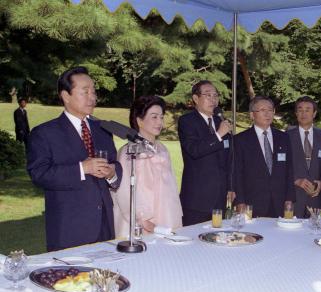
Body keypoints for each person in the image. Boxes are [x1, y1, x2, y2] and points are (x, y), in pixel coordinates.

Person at [27, 66, 122, 251]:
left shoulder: (103, 129)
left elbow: (115, 164)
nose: (92, 97)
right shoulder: (44, 133)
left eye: (94, 91)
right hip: (69, 229)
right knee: (72, 279)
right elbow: (39, 174)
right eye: (85, 91)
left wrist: (112, 173)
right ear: (66, 96)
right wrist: (81, 168)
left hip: (104, 226)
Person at [112, 95, 182, 238]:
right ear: (139, 121)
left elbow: (172, 187)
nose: (160, 122)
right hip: (138, 220)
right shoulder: (129, 151)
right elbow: (124, 189)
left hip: (165, 214)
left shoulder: (162, 149)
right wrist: (141, 218)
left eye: (161, 117)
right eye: (154, 117)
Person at [178, 80, 233, 226]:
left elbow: (229, 159)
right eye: (208, 95)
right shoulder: (187, 121)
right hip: (196, 199)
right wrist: (219, 134)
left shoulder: (221, 122)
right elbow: (194, 150)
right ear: (196, 99)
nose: (213, 99)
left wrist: (231, 187)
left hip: (220, 198)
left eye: (216, 95)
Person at [233, 96, 295, 217]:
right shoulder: (240, 140)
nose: (267, 114)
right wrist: (240, 201)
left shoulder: (283, 137)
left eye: (270, 110)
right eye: (262, 110)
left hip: (280, 201)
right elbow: (237, 173)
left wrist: (290, 198)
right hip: (252, 202)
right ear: (252, 115)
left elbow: (289, 170)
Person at [287, 96, 321, 217]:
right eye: (300, 110)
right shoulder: (285, 137)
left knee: (314, 233)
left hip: (316, 198)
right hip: (292, 198)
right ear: (296, 113)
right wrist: (296, 180)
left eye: (308, 110)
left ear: (314, 114)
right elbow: (280, 167)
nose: (304, 113)